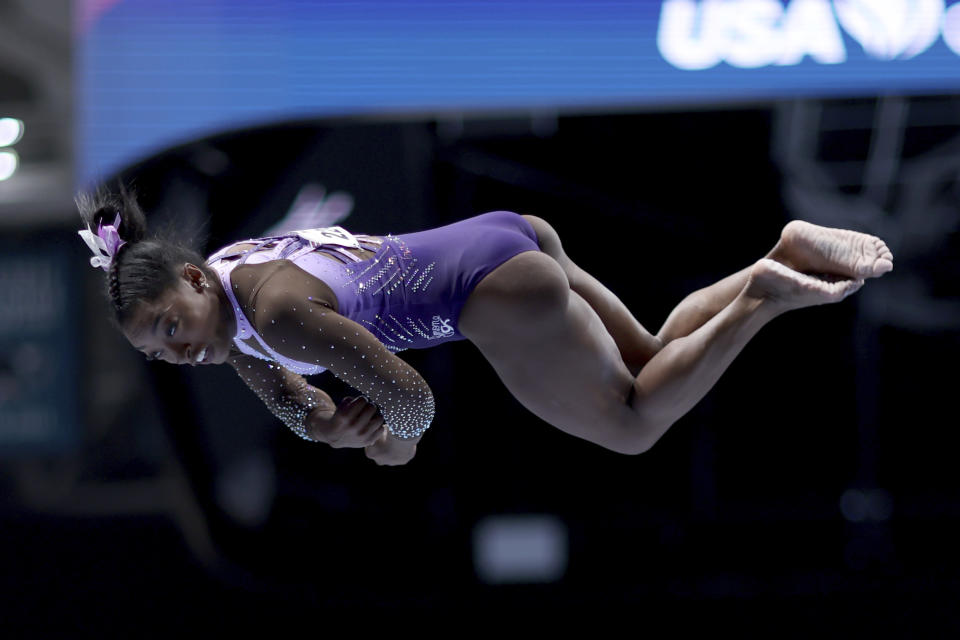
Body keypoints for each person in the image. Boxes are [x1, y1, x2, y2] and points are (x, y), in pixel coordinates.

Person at [77, 187, 893, 467]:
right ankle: (772, 258)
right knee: (649, 355)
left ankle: (769, 298)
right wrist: (333, 430)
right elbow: (293, 404)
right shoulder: (231, 280)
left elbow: (412, 399)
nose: (179, 352)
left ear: (190, 282)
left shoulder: (278, 316)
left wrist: (389, 443)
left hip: (493, 296)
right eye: (160, 351)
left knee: (637, 424)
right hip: (508, 235)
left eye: (170, 327)